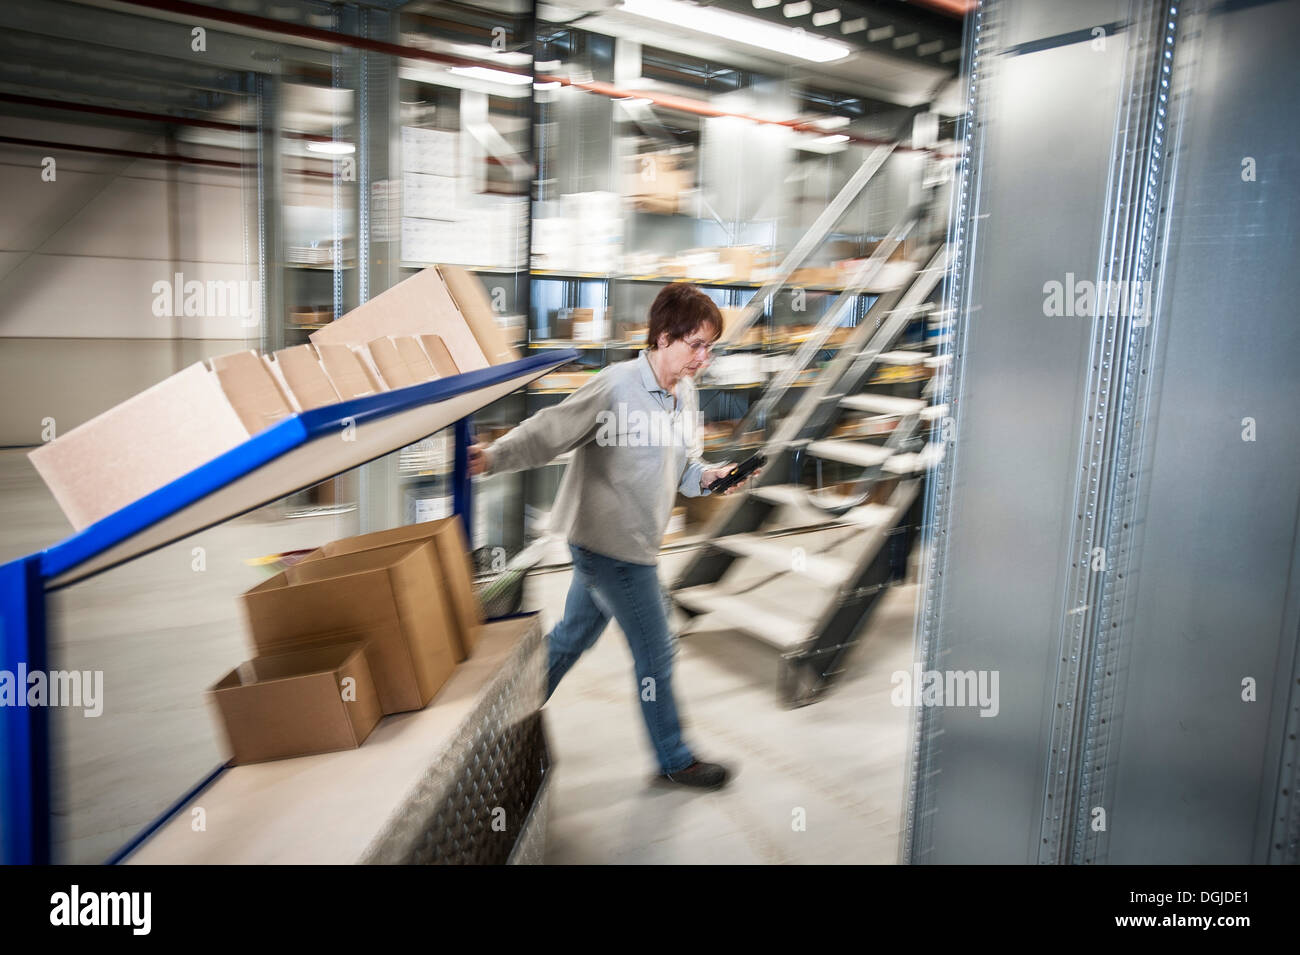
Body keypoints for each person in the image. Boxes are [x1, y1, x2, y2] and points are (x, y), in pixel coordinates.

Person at [468, 283, 759, 791]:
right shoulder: (615, 386)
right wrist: (493, 457)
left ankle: (493, 725)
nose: (704, 358)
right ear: (663, 338)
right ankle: (674, 757)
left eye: (710, 347)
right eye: (696, 344)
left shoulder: (683, 393)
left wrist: (712, 476)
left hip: (626, 541)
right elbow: (549, 429)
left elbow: (683, 468)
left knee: (570, 638)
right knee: (657, 652)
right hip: (612, 547)